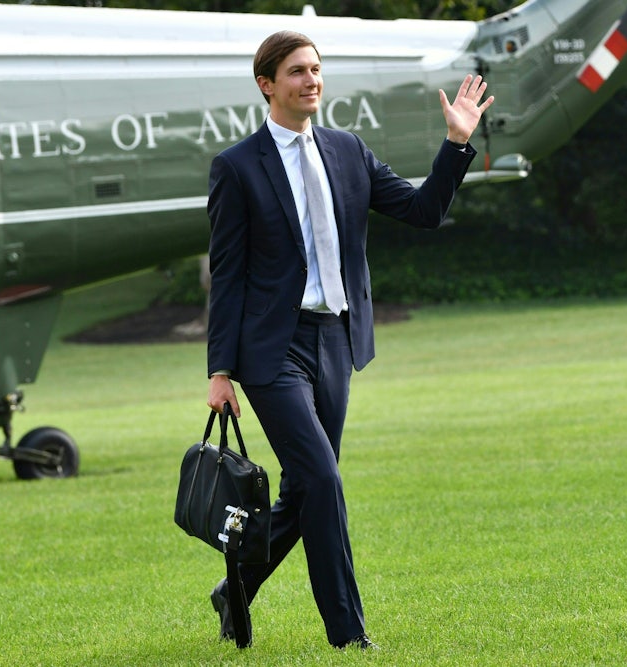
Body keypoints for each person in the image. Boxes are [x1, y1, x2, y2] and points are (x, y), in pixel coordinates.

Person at [204, 29, 494, 650]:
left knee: (307, 487)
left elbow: (423, 211)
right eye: (297, 71)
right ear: (267, 85)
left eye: (316, 68)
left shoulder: (347, 149)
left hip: (335, 339)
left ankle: (236, 587)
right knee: (323, 479)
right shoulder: (237, 166)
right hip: (270, 350)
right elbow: (227, 274)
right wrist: (219, 371)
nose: (311, 80)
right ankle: (349, 635)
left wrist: (456, 143)